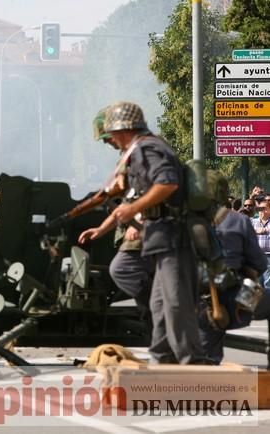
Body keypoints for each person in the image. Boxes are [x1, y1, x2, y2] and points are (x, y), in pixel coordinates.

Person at [86, 101, 207, 364]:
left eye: (112, 134)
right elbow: (132, 197)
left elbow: (168, 183)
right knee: (160, 306)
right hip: (160, 236)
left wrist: (133, 211)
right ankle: (162, 358)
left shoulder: (149, 148)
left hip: (173, 235)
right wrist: (104, 226)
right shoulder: (139, 151)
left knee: (176, 303)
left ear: (122, 129)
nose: (111, 141)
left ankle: (193, 362)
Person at [79, 108, 153, 319]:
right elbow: (128, 200)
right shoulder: (129, 156)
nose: (107, 142)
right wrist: (101, 229)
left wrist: (138, 219)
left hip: (153, 228)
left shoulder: (144, 152)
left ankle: (162, 309)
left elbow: (159, 189)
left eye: (107, 137)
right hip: (146, 228)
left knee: (123, 269)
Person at [198, 174, 270, 362]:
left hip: (194, 297)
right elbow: (260, 264)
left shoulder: (184, 221)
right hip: (236, 295)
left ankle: (206, 365)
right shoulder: (239, 221)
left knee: (207, 344)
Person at [251, 199, 270, 289]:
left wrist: (265, 230)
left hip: (268, 257)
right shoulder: (253, 222)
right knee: (257, 284)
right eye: (259, 209)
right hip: (256, 256)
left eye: (264, 208)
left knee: (267, 283)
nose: (261, 211)